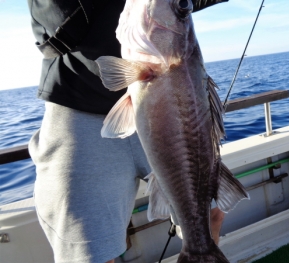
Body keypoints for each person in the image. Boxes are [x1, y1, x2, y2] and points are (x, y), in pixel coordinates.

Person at [27, 0, 228, 262]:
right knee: (91, 251)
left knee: (211, 215)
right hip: (80, 109)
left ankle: (200, 253)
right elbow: (53, 31)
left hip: (176, 109)